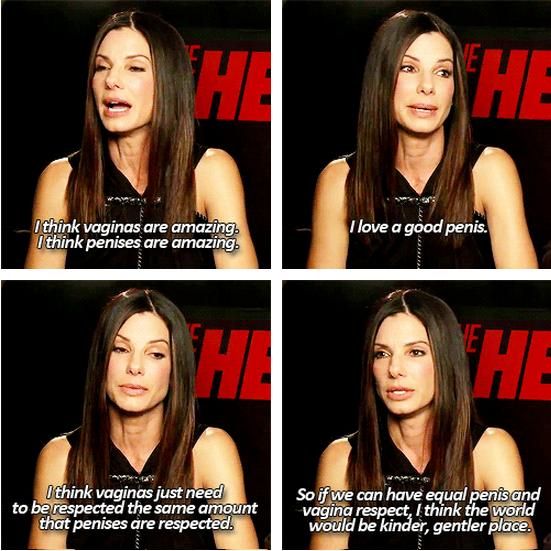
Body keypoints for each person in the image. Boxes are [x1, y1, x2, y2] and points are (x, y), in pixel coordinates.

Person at [29, 289, 259, 549]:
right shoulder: (61, 457)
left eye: (156, 354)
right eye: (120, 349)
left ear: (175, 369)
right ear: (101, 360)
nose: (135, 367)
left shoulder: (209, 450)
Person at [25, 11, 258, 269]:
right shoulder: (60, 179)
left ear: (168, 82)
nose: (111, 80)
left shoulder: (212, 172)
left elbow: (241, 275)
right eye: (102, 67)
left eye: (134, 67)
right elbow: (40, 280)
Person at [307, 10, 537, 268]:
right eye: (409, 68)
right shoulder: (340, 180)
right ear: (382, 80)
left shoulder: (490, 170)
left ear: (455, 89)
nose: (427, 86)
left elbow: (523, 280)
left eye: (443, 72)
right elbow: (325, 282)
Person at [312, 289, 537, 549]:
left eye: (415, 352)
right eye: (381, 354)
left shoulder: (490, 450)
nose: (394, 369)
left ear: (445, 360)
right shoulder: (341, 458)